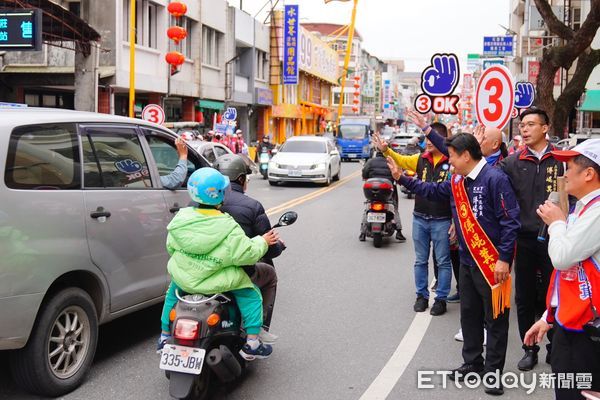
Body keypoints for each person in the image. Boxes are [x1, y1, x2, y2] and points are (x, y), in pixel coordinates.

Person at [391, 133, 520, 395]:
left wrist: (504, 259)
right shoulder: (458, 181)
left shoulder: (495, 179)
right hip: (467, 259)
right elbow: (433, 190)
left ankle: (493, 372)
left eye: (451, 155)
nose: (448, 160)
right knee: (469, 313)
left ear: (465, 155)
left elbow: (510, 221)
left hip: (491, 263)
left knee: (494, 319)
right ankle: (472, 362)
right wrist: (402, 179)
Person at [158, 168, 279, 360]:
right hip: (218, 282)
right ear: (221, 194)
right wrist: (263, 241)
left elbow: (171, 247)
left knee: (172, 294)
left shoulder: (180, 219)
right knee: (251, 294)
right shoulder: (227, 225)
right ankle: (252, 343)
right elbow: (245, 255)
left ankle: (164, 336)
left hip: (185, 279)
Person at [525, 139, 600, 400]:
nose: (563, 174)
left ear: (589, 174)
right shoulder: (584, 208)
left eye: (569, 167)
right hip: (571, 324)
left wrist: (556, 223)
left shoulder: (597, 211)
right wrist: (549, 316)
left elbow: (562, 259)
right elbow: (570, 276)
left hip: (588, 334)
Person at [499, 108, 564, 371]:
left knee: (557, 295)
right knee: (524, 297)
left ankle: (555, 346)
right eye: (522, 125)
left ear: (545, 127)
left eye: (530, 125)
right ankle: (529, 348)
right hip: (523, 239)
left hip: (556, 238)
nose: (524, 129)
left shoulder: (561, 160)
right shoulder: (512, 162)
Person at [373, 123, 453, 316]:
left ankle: (441, 299)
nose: (428, 142)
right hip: (420, 217)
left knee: (443, 261)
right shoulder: (420, 158)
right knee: (420, 260)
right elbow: (399, 160)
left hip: (442, 219)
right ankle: (421, 296)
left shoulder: (452, 161)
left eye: (431, 139)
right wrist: (386, 151)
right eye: (426, 139)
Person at [212, 154, 285, 339]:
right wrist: (276, 246)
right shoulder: (251, 206)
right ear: (242, 179)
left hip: (202, 270)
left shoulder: (193, 206)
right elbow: (268, 248)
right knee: (269, 275)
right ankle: (260, 328)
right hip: (235, 272)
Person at [360, 150, 406, 242]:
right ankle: (399, 232)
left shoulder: (371, 161)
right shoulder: (391, 162)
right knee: (394, 207)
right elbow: (397, 176)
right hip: (387, 192)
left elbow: (364, 173)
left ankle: (362, 233)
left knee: (367, 208)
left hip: (372, 193)